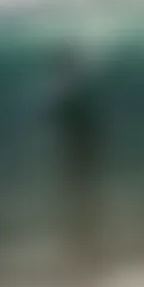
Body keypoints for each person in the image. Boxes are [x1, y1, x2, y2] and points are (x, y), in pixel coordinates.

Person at [50, 43, 103, 272]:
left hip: (79, 142)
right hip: (79, 142)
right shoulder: (70, 87)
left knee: (78, 183)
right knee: (80, 184)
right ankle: (83, 226)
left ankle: (81, 228)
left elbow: (70, 116)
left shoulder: (68, 88)